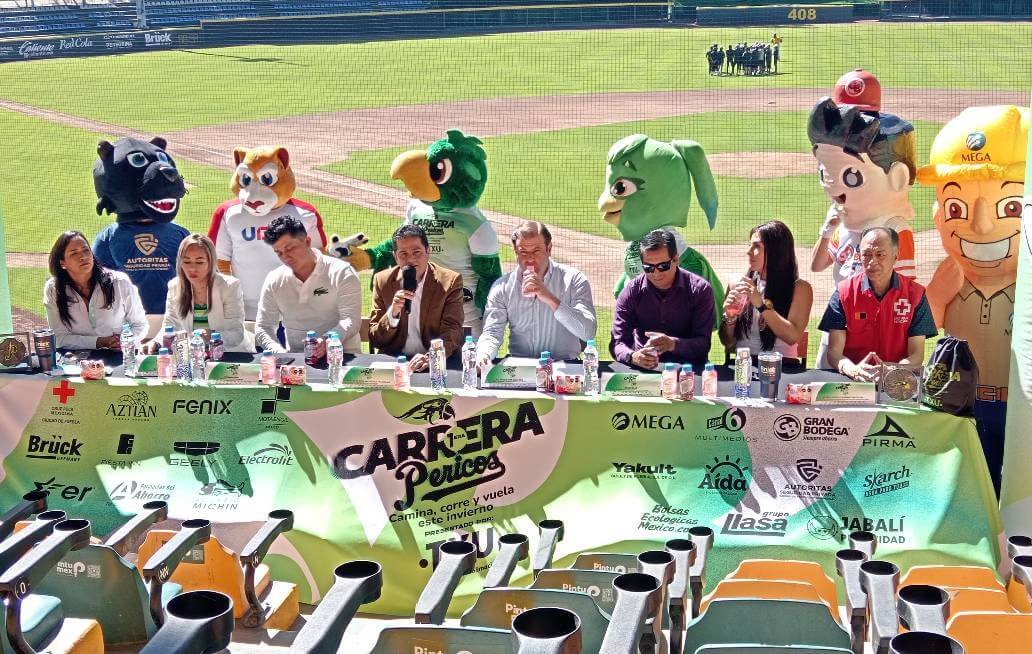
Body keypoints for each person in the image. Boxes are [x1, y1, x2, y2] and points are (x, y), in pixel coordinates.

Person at [819, 227, 937, 381]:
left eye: (880, 255)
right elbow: (834, 352)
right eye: (866, 255)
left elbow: (916, 354)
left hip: (896, 381)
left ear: (896, 256)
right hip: (852, 380)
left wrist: (893, 370)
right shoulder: (843, 293)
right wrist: (852, 369)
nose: (872, 261)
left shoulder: (916, 295)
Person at [476, 221, 596, 366]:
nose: (530, 258)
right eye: (523, 252)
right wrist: (484, 354)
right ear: (515, 251)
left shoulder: (573, 279)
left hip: (565, 367)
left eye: (537, 251)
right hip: (520, 367)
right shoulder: (502, 287)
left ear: (549, 249)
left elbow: (588, 332)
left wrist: (550, 298)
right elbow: (492, 332)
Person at [255, 215, 362, 355]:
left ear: (307, 241)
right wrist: (280, 354)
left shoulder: (342, 272)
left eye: (290, 248)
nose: (285, 257)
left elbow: (350, 320)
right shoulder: (274, 279)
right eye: (279, 252)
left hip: (343, 357)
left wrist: (327, 341)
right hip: (296, 360)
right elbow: (263, 327)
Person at [611, 229, 715, 371]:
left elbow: (703, 344)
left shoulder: (700, 290)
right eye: (648, 268)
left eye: (663, 266)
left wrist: (672, 344)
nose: (656, 273)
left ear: (676, 259)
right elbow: (618, 343)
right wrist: (633, 356)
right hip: (645, 371)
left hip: (689, 371)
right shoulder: (631, 292)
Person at [369, 224, 464, 371]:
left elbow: (452, 331)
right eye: (403, 254)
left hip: (434, 363)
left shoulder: (450, 282)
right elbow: (376, 338)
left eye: (416, 252)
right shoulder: (383, 281)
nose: (410, 260)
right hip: (395, 362)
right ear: (395, 256)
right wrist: (392, 313)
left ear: (428, 251)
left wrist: (431, 357)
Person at [719, 221, 813, 359]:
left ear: (776, 251)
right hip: (744, 367)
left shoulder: (800, 289)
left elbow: (792, 337)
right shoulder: (737, 285)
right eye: (750, 245)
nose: (748, 251)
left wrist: (761, 305)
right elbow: (727, 342)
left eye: (757, 246)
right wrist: (730, 318)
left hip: (783, 368)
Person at [43, 230, 147, 350]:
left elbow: (140, 325)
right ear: (62, 263)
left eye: (86, 250)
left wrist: (125, 341)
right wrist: (99, 342)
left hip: (119, 356)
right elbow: (59, 338)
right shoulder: (53, 290)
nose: (83, 257)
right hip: (76, 361)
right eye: (74, 253)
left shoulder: (119, 282)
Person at [150, 233, 249, 352]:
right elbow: (169, 326)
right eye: (186, 262)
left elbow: (237, 334)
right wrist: (156, 342)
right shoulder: (174, 286)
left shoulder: (230, 286)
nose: (192, 268)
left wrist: (211, 335)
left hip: (230, 355)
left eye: (199, 262)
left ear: (211, 262)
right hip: (191, 356)